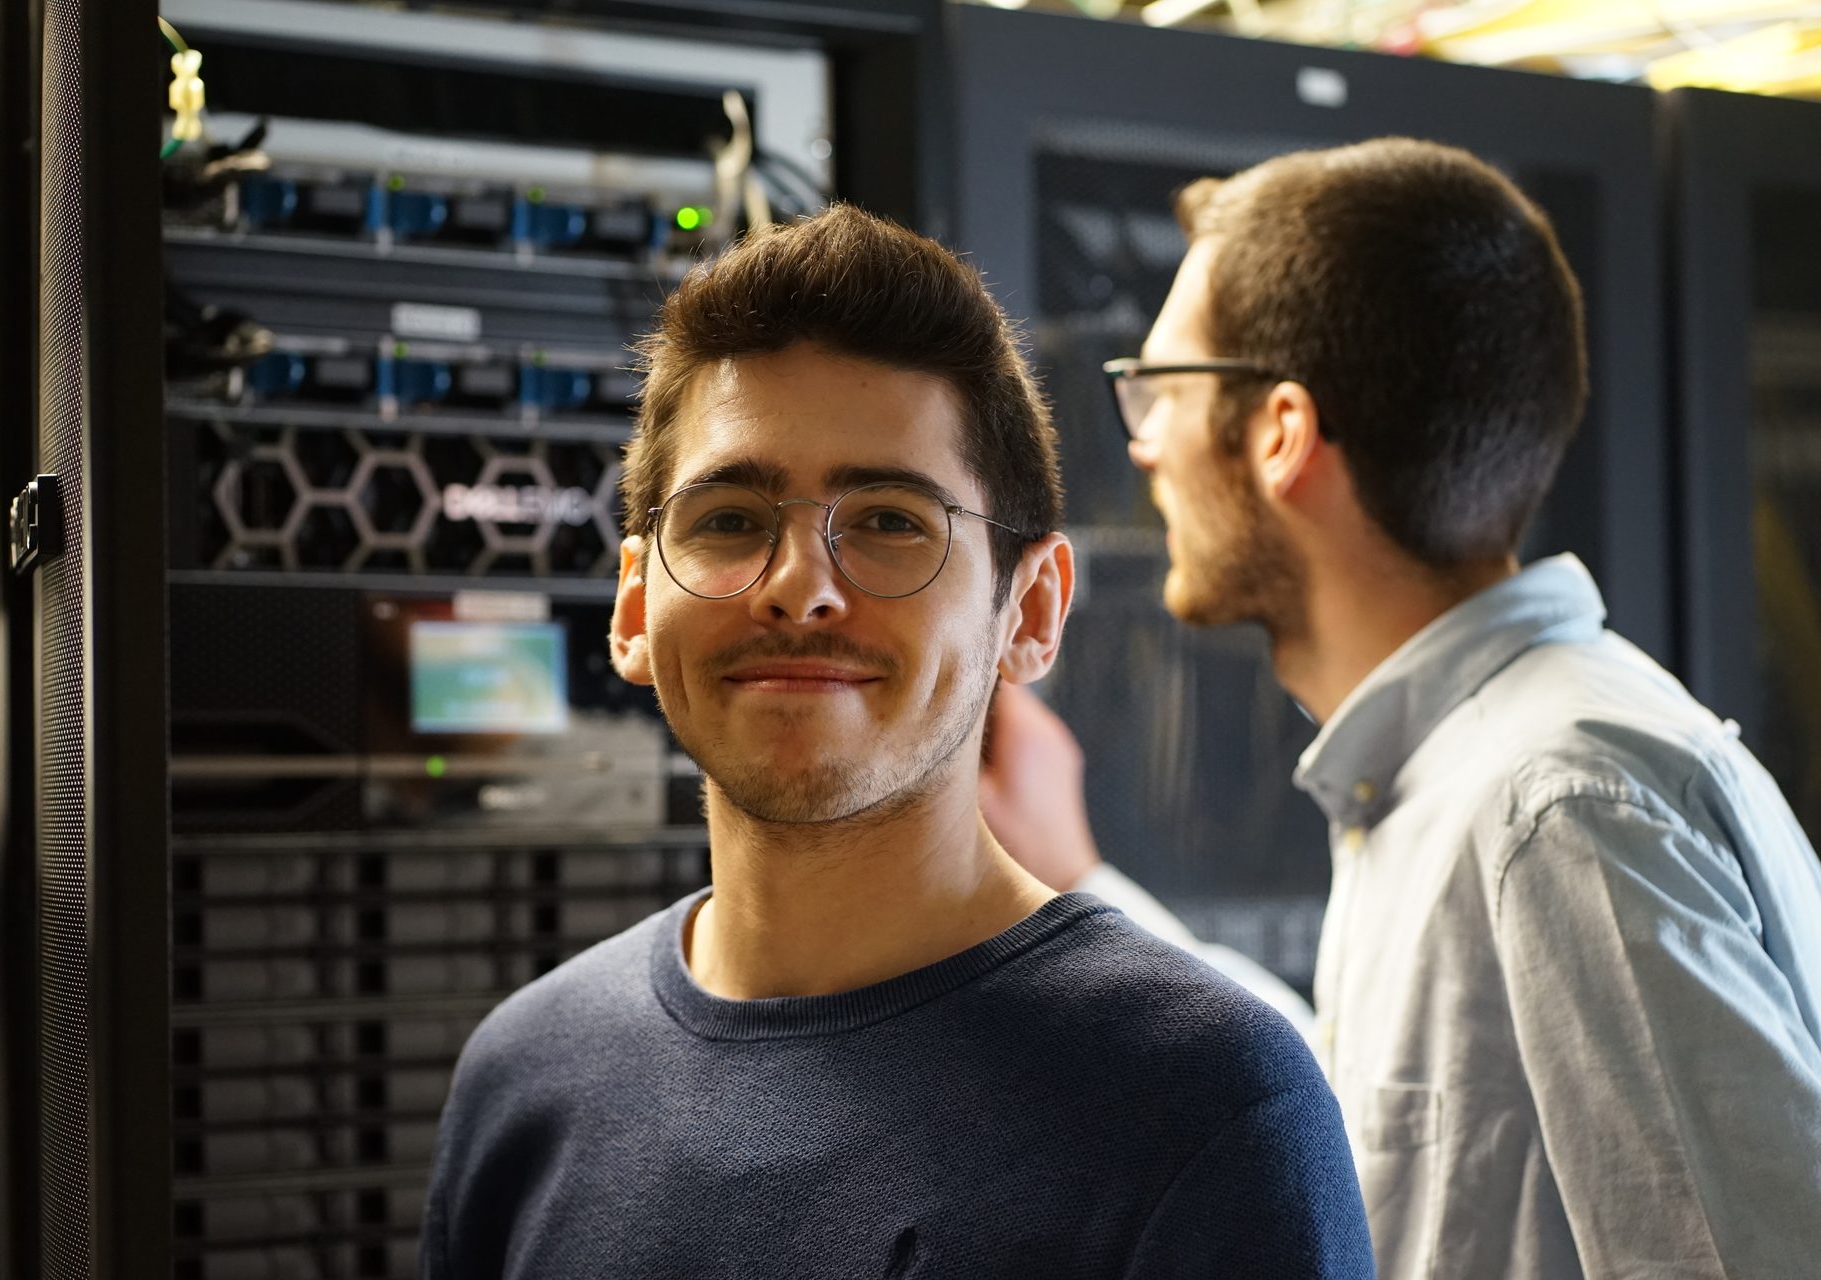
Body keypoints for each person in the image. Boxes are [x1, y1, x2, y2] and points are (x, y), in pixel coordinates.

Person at [420, 205, 1374, 1279]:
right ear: (635, 606)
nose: (798, 587)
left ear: (1034, 611)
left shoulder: (1206, 1108)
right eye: (729, 518)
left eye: (888, 520)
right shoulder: (524, 1077)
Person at [981, 137, 1821, 1279]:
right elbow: (1360, 1105)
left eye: (1161, 388)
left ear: (1279, 432)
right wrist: (1078, 879)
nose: (1144, 440)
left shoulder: (1556, 803)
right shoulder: (1468, 774)